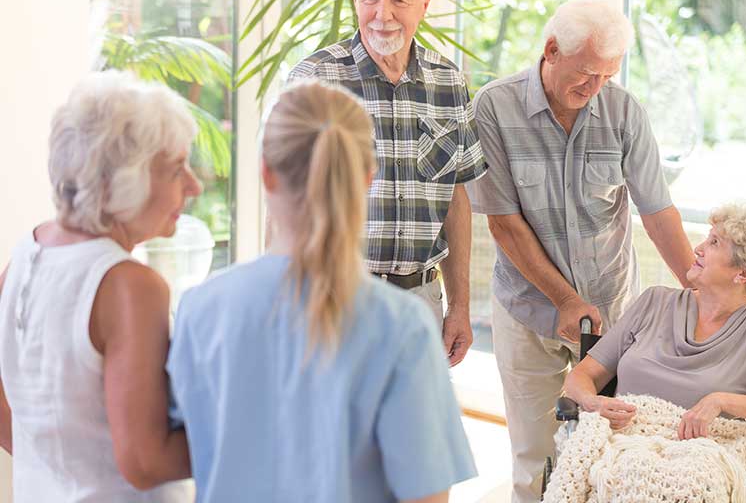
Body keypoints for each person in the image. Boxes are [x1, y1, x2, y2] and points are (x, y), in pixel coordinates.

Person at [166, 81, 476, 503]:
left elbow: (188, 448)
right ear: (367, 177)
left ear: (265, 172)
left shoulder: (200, 310)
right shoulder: (403, 327)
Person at [464, 0, 696, 502]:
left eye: (606, 78)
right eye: (586, 75)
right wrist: (565, 300)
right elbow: (504, 224)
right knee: (535, 455)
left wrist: (699, 291)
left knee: (610, 452)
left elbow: (657, 212)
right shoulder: (494, 108)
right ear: (551, 50)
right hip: (528, 311)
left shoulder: (623, 111)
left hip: (612, 312)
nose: (594, 91)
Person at [0, 71, 200, 502]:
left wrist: (66, 473)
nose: (194, 186)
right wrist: (249, 431)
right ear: (126, 178)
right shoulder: (131, 286)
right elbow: (145, 463)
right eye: (176, 168)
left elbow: (5, 415)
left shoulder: (22, 261)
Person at [287, 0, 487, 366]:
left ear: (424, 6)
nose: (383, 14)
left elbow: (455, 200)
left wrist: (460, 307)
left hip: (422, 303)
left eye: (399, 0)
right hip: (336, 300)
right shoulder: (315, 80)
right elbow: (287, 199)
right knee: (336, 431)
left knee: (413, 431)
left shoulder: (449, 82)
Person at [564, 203, 746, 438]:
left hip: (701, 458)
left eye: (715, 243)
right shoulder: (653, 302)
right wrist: (591, 401)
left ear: (743, 273)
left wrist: (722, 401)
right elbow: (581, 376)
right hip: (622, 444)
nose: (698, 248)